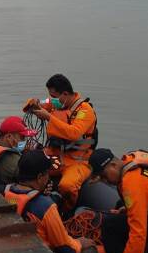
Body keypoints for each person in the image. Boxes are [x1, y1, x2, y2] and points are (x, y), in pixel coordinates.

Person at [5, 150, 102, 253]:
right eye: (47, 173)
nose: (49, 177)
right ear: (39, 177)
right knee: (91, 252)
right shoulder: (45, 206)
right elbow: (67, 250)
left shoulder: (7, 192)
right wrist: (80, 243)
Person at [24, 73, 98, 212]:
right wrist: (32, 104)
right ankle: (32, 202)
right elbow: (37, 104)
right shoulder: (56, 103)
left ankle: (66, 211)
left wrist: (49, 118)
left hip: (78, 160)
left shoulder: (84, 111)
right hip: (56, 154)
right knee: (30, 165)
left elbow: (74, 133)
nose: (52, 99)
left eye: (54, 96)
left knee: (67, 186)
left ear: (64, 93)